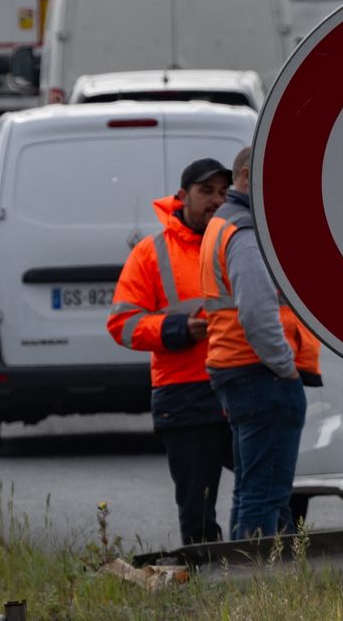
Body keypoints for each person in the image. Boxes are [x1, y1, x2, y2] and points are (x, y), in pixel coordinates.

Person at [198, 145, 322, 540]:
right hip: (262, 373)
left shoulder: (223, 222)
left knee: (252, 490)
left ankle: (245, 580)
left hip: (240, 369)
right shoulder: (244, 229)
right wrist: (284, 366)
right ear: (248, 176)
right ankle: (255, 587)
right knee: (265, 495)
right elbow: (255, 310)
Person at [107, 158, 232, 546]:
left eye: (223, 192)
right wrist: (179, 329)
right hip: (185, 392)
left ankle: (264, 574)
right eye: (206, 191)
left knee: (270, 488)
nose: (216, 200)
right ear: (182, 196)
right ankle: (206, 580)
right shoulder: (151, 253)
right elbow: (122, 324)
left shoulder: (238, 241)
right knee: (198, 505)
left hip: (240, 382)